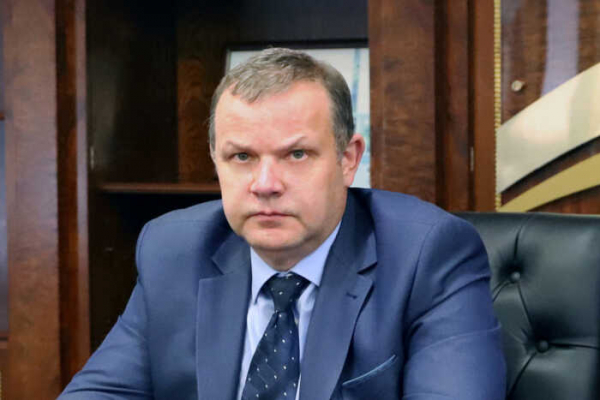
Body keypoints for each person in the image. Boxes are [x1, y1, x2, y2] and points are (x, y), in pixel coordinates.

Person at [60, 48, 506, 400]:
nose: (265, 184)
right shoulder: (173, 249)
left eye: (296, 154)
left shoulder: (427, 255)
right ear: (215, 161)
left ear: (348, 159)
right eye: (242, 156)